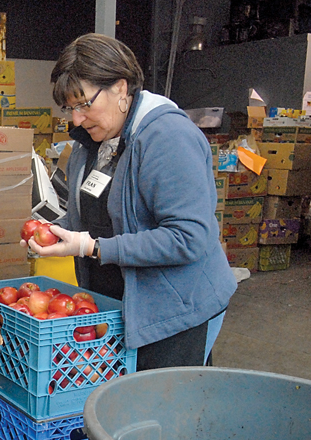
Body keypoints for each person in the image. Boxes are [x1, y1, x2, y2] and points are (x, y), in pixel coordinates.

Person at [24, 33, 236, 371]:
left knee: (164, 410)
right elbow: (95, 216)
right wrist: (56, 231)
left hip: (175, 312)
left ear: (121, 88)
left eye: (84, 104)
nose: (76, 118)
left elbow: (189, 238)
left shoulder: (167, 138)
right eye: (69, 107)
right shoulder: (90, 142)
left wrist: (91, 248)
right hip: (121, 305)